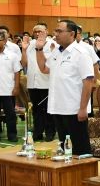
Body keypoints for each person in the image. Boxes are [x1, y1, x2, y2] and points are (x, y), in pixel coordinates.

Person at [33, 19, 95, 155]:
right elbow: (44, 68)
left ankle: (84, 176)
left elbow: (88, 82)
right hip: (58, 108)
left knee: (80, 149)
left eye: (60, 31)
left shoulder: (81, 53)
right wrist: (39, 49)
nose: (56, 34)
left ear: (72, 34)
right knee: (65, 149)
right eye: (55, 31)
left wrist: (83, 108)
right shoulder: (57, 52)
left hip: (74, 110)